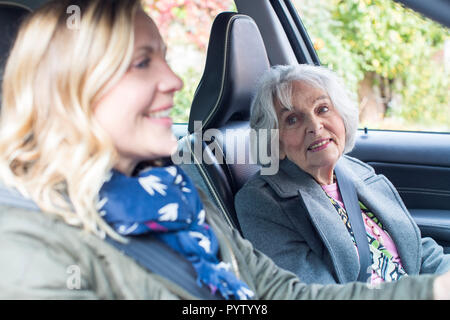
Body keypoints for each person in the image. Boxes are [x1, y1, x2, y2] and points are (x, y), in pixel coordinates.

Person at [0, 0, 449, 300]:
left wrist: (434, 290)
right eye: (142, 63)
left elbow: (280, 294)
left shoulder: (179, 196)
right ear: (71, 91)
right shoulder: (25, 244)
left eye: (164, 57)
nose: (174, 82)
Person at [235, 64, 450, 286]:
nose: (315, 126)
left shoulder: (356, 171)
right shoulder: (262, 202)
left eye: (322, 109)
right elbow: (315, 293)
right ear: (275, 141)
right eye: (292, 119)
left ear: (342, 117)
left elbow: (418, 251)